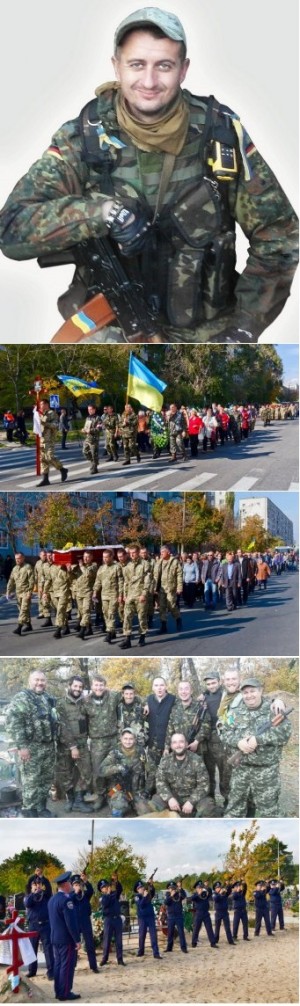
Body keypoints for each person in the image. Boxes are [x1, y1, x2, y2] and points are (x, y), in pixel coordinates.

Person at [1, 8, 297, 345]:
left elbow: (280, 237)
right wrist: (100, 214)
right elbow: (11, 228)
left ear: (183, 69)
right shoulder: (82, 139)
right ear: (116, 66)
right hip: (108, 332)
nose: (149, 81)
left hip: (207, 337)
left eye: (164, 66)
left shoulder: (220, 134)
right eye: (137, 64)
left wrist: (244, 327)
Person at [220, 677, 292, 817]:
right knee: (234, 809)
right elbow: (224, 732)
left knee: (269, 812)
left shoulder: (274, 710)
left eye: (252, 691)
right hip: (241, 770)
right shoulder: (234, 712)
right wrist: (237, 742)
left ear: (260, 691)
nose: (249, 695)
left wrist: (258, 740)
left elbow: (285, 734)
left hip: (266, 772)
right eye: (245, 692)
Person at [5, 670, 58, 817]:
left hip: (48, 746)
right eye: (37, 680)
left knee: (46, 780)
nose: (40, 683)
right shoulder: (22, 698)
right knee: (31, 781)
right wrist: (22, 746)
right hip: (30, 747)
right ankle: (30, 811)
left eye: (42, 680)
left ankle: (41, 808)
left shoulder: (47, 698)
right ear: (30, 681)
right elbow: (14, 723)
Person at [154, 732, 216, 817]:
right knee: (154, 803)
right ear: (171, 745)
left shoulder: (197, 760)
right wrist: (169, 798)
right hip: (173, 797)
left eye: (181, 742)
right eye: (175, 742)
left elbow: (204, 785)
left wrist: (191, 801)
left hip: (193, 797)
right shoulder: (165, 761)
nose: (178, 745)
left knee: (208, 806)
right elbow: (160, 782)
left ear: (186, 744)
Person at [56, 675, 91, 813]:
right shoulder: (61, 703)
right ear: (69, 686)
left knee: (86, 772)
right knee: (66, 773)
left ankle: (78, 800)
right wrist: (72, 747)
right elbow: (62, 726)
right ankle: (70, 799)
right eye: (75, 686)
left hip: (82, 743)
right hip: (65, 745)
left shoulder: (85, 702)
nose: (78, 689)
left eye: (80, 687)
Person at [48, 871, 81, 1002]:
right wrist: (77, 940)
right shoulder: (66, 900)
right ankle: (65, 993)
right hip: (66, 939)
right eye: (69, 883)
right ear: (66, 884)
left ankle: (58, 991)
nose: (71, 885)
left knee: (58, 965)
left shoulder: (52, 899)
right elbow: (70, 923)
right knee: (66, 966)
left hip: (55, 937)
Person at [100, 728, 148, 816]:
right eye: (125, 739)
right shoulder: (115, 752)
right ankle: (116, 803)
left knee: (145, 811)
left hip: (137, 790)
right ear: (121, 739)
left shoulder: (141, 752)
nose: (128, 741)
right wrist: (118, 768)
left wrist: (147, 790)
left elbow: (151, 771)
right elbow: (102, 770)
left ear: (135, 739)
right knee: (118, 806)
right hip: (118, 788)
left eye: (131, 739)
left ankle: (133, 804)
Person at [144, 676, 176, 795]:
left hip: (167, 742)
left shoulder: (173, 699)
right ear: (153, 687)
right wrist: (145, 705)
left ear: (166, 686)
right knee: (152, 770)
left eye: (162, 685)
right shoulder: (149, 699)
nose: (159, 688)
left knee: (167, 770)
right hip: (152, 742)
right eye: (156, 685)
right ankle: (150, 792)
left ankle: (167, 794)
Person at [119, 543, 152, 648]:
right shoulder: (127, 565)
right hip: (130, 595)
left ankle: (142, 637)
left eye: (134, 553)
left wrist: (144, 594)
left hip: (140, 595)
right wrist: (125, 595)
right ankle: (127, 639)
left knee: (142, 617)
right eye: (130, 553)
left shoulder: (145, 564)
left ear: (138, 553)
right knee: (127, 616)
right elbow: (126, 582)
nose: (132, 555)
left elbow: (147, 580)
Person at [23, 874, 54, 980]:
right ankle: (32, 971)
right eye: (35, 884)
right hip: (33, 925)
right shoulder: (28, 896)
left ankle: (51, 972)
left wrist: (43, 878)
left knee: (48, 949)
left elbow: (49, 888)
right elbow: (27, 904)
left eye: (39, 884)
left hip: (45, 925)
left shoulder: (45, 895)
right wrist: (34, 892)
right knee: (32, 949)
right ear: (31, 886)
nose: (37, 885)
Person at [93, 548, 124, 643]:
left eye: (107, 557)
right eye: (103, 557)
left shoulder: (117, 567)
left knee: (111, 613)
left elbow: (121, 582)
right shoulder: (101, 568)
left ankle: (109, 633)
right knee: (105, 614)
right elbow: (98, 581)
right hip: (104, 595)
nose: (105, 559)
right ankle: (112, 631)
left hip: (114, 594)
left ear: (111, 557)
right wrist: (95, 592)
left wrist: (120, 595)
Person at [70, 872, 99, 972]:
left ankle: (93, 966)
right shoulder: (70, 896)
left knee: (90, 944)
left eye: (79, 884)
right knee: (74, 944)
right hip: (75, 922)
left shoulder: (85, 895)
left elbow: (91, 890)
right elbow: (69, 901)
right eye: (75, 885)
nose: (78, 886)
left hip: (85, 921)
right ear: (72, 886)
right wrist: (75, 892)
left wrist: (85, 881)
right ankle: (72, 966)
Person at [35, 399, 68, 487]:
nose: (40, 406)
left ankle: (62, 469)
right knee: (43, 459)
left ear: (46, 404)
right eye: (40, 404)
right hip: (41, 440)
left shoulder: (52, 413)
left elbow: (55, 425)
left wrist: (44, 423)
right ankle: (45, 479)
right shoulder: (41, 414)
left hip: (49, 440)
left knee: (49, 457)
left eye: (42, 404)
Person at [97, 874, 125, 966]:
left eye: (106, 886)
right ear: (101, 890)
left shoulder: (114, 894)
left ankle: (120, 959)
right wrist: (108, 894)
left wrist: (116, 880)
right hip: (108, 920)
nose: (105, 888)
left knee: (119, 940)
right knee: (107, 940)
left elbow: (120, 889)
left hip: (117, 919)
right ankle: (104, 959)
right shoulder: (102, 897)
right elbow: (105, 903)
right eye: (103, 887)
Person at [154, 545, 183, 633]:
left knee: (172, 606)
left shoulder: (175, 562)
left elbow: (179, 575)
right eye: (161, 552)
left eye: (163, 552)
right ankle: (163, 626)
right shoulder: (159, 562)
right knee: (162, 607)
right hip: (161, 589)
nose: (161, 553)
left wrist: (179, 587)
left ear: (168, 552)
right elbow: (155, 576)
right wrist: (154, 588)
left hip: (171, 588)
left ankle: (178, 619)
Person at [6, 551, 34, 635]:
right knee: (22, 610)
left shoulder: (27, 567)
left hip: (26, 592)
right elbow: (11, 581)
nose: (17, 560)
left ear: (23, 558)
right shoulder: (15, 568)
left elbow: (31, 580)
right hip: (18, 593)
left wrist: (30, 592)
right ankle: (28, 625)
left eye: (19, 558)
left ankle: (19, 627)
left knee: (23, 610)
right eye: (16, 559)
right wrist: (8, 591)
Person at [134, 878, 162, 958]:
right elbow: (141, 905)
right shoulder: (137, 897)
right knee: (142, 935)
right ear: (137, 890)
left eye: (142, 887)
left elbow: (152, 892)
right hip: (142, 918)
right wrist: (144, 897)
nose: (141, 889)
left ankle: (156, 953)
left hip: (150, 917)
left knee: (153, 935)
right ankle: (141, 951)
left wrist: (151, 885)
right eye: (139, 888)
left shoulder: (148, 894)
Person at [188, 879, 217, 949]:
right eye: (199, 888)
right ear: (197, 889)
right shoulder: (195, 895)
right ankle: (194, 943)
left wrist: (206, 891)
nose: (201, 889)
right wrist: (198, 894)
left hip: (206, 913)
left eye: (202, 887)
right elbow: (190, 899)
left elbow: (210, 893)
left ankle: (213, 943)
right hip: (198, 913)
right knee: (196, 928)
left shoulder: (205, 893)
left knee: (209, 928)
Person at [164, 881, 188, 954]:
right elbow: (166, 902)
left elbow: (184, 896)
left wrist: (180, 888)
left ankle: (183, 948)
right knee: (170, 932)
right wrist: (171, 895)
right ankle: (169, 948)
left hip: (179, 915)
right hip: (171, 916)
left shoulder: (179, 894)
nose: (171, 889)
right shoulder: (168, 894)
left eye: (173, 888)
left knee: (181, 932)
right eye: (170, 888)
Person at [81, 404, 101, 474]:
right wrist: (83, 430)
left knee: (94, 454)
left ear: (94, 410)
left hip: (94, 439)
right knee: (85, 451)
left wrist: (91, 430)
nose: (89, 411)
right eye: (88, 409)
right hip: (87, 438)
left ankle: (95, 468)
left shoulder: (98, 418)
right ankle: (93, 462)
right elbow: (86, 427)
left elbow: (99, 429)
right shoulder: (88, 418)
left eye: (90, 409)